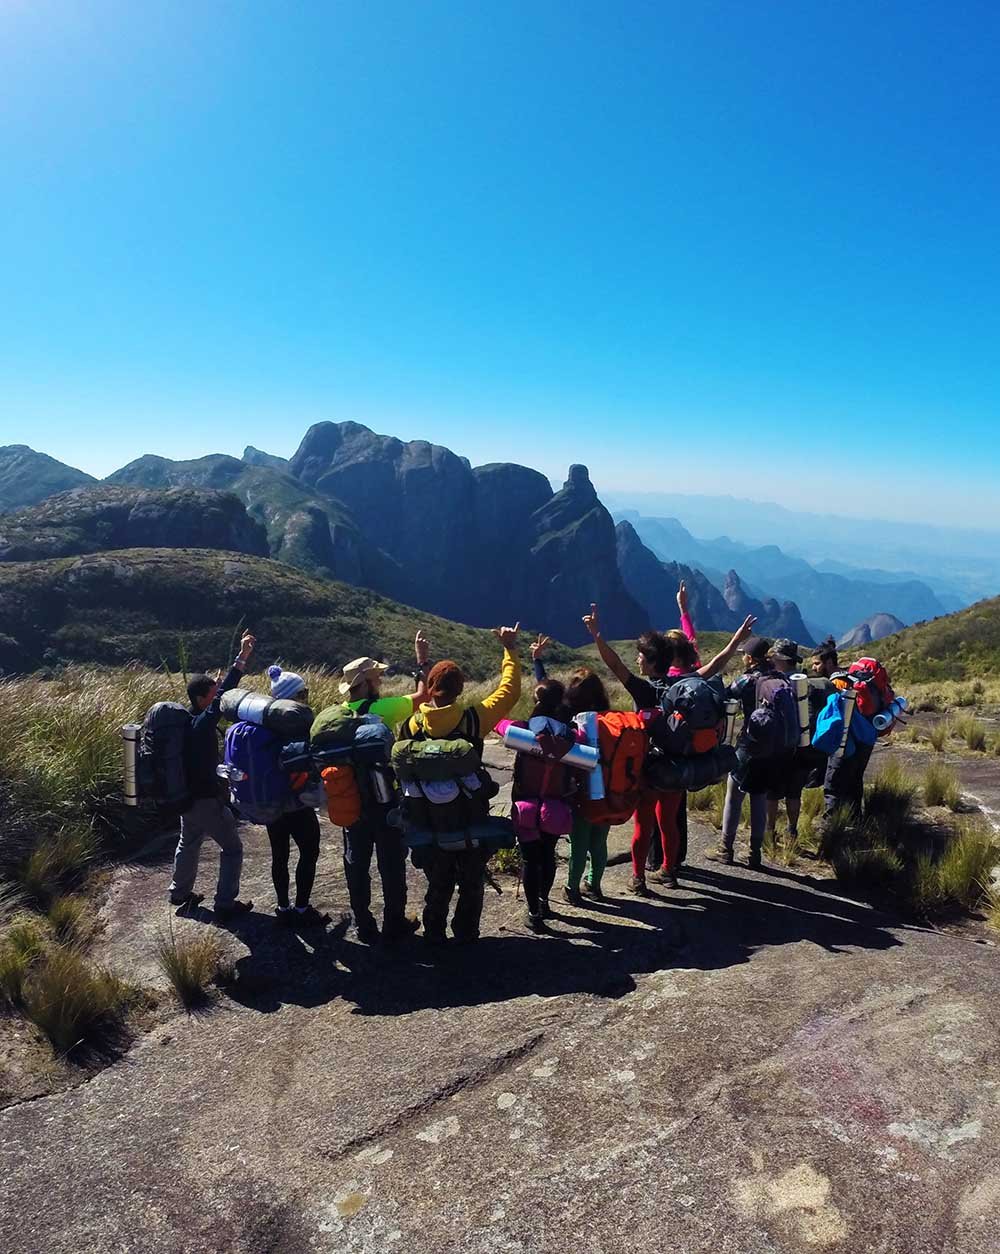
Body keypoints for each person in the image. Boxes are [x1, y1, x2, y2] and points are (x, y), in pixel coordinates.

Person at [583, 602, 756, 895]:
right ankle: (668, 871)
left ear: (650, 663)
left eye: (640, 656)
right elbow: (718, 662)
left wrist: (597, 634)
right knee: (669, 824)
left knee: (644, 825)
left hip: (649, 768)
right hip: (678, 766)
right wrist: (737, 639)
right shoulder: (687, 683)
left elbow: (614, 665)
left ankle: (637, 877)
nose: (636, 659)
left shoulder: (645, 689)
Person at [404, 625, 522, 945]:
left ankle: (434, 934)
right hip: (470, 816)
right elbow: (510, 690)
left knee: (438, 879)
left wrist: (422, 662)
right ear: (460, 690)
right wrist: (509, 649)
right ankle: (466, 933)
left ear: (430, 689)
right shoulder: (474, 718)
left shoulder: (412, 724)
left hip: (430, 818)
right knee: (471, 879)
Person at [338, 632, 431, 944]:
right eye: (377, 676)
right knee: (391, 863)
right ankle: (394, 922)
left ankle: (364, 924)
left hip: (351, 802)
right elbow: (425, 695)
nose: (380, 679)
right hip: (384, 801)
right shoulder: (384, 709)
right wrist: (422, 660)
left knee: (356, 862)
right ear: (368, 682)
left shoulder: (339, 714)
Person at [168, 631, 256, 917]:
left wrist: (216, 685)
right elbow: (225, 694)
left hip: (184, 797)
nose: (216, 696)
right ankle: (225, 904)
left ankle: (179, 892)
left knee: (188, 841)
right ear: (201, 698)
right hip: (206, 800)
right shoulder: (203, 724)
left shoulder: (186, 721)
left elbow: (217, 695)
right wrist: (242, 657)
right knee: (232, 849)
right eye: (212, 693)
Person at [497, 668, 577, 931]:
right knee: (548, 855)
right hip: (555, 808)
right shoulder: (571, 736)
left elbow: (498, 723)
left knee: (531, 859)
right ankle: (543, 902)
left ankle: (533, 913)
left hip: (527, 807)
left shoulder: (522, 731)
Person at [259, 665, 326, 927]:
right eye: (303, 693)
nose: (306, 697)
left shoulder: (263, 724)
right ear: (294, 696)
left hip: (272, 803)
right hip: (297, 804)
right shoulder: (299, 726)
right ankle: (301, 908)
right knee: (309, 852)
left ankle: (283, 906)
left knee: (279, 855)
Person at [711, 635, 777, 869]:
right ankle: (755, 853)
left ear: (750, 657)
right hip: (772, 749)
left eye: (744, 654)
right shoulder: (779, 677)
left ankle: (725, 849)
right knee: (759, 797)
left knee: (734, 795)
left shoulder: (748, 680)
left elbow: (726, 696)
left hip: (748, 745)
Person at [812, 636, 873, 825]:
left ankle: (832, 835)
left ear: (828, 662)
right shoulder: (850, 678)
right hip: (863, 743)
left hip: (845, 746)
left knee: (833, 789)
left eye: (816, 664)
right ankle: (856, 825)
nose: (814, 668)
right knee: (854, 786)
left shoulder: (836, 684)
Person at [764, 639, 808, 843]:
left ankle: (769, 831)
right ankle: (792, 831)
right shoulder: (805, 682)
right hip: (801, 746)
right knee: (794, 792)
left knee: (772, 793)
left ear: (781, 659)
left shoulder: (778, 684)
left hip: (779, 747)